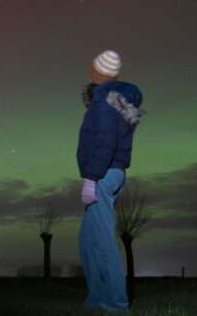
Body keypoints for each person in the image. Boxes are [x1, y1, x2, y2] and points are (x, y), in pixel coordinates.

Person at [77, 50, 144, 313]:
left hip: (102, 175)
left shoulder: (103, 100)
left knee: (103, 240)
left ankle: (116, 304)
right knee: (87, 240)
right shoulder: (116, 102)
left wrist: (91, 179)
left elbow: (105, 141)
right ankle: (97, 298)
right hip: (110, 173)